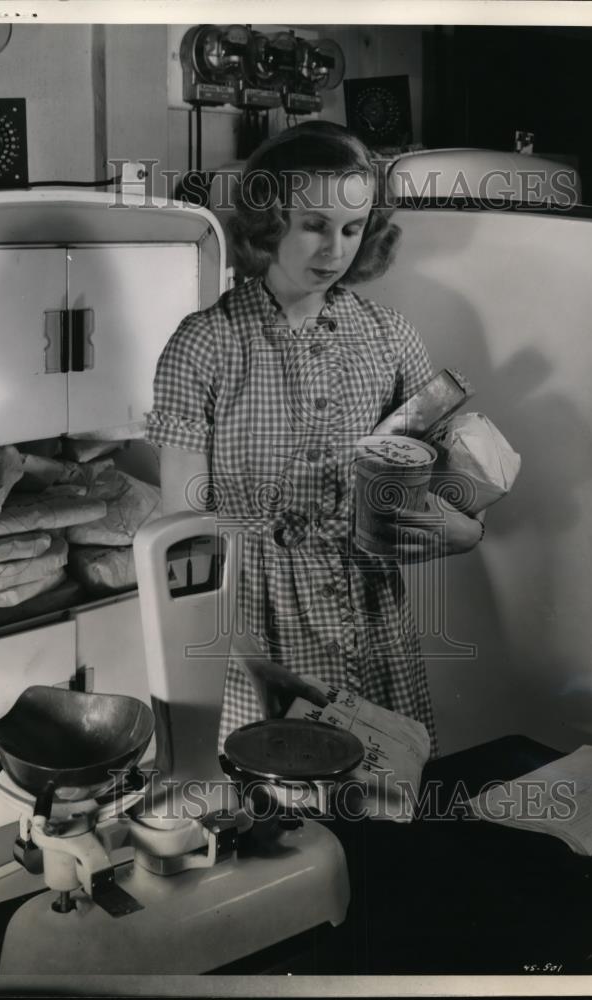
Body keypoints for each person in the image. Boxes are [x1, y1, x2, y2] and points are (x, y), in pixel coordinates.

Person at [146, 121, 484, 756]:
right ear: (268, 221)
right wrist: (240, 655)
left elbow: (444, 480)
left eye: (353, 229)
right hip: (250, 624)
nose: (335, 248)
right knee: (278, 821)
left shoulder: (391, 337)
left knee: (380, 812)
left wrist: (466, 530)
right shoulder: (204, 344)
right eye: (314, 224)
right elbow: (184, 532)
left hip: (370, 612)